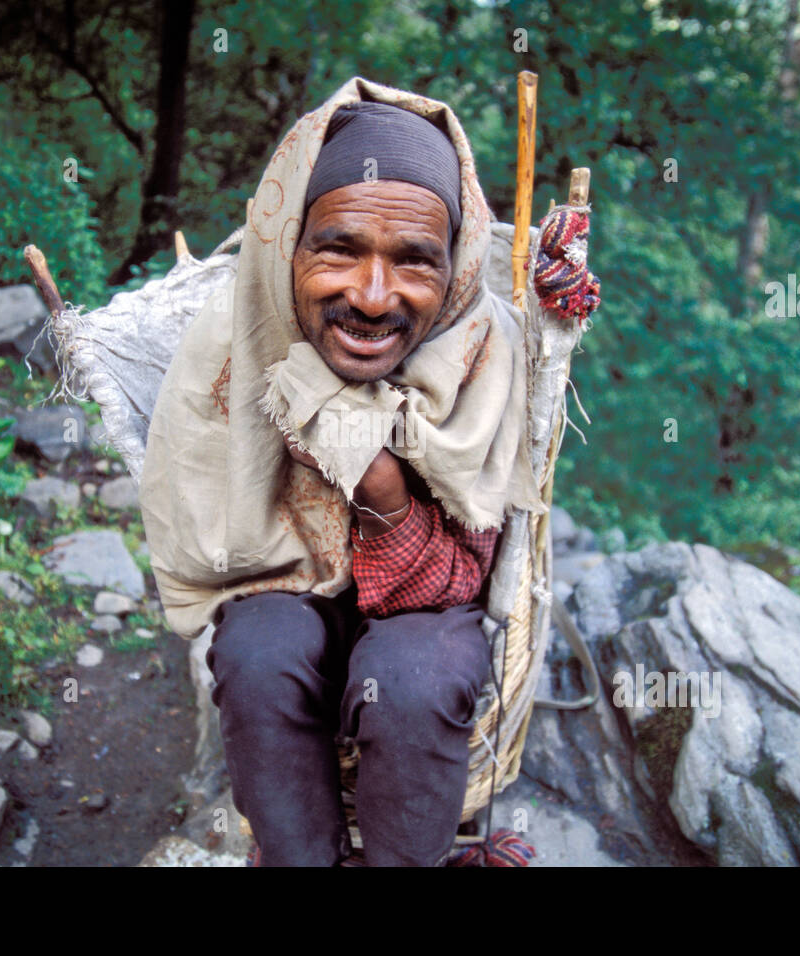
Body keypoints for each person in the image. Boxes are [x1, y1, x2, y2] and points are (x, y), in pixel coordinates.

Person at [138, 77, 546, 866]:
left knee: (417, 677)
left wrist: (377, 477)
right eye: (339, 248)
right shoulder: (236, 345)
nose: (371, 295)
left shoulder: (479, 355)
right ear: (289, 241)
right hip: (283, 584)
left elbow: (460, 581)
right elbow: (216, 546)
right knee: (259, 653)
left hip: (429, 604)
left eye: (415, 261)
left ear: (456, 270)